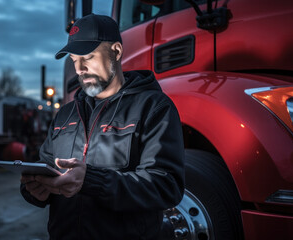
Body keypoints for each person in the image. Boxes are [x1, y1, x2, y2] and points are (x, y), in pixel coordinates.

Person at [20, 13, 185, 240]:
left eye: (87, 57)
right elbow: (46, 165)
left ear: (116, 51)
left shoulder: (153, 107)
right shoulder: (66, 114)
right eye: (74, 60)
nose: (79, 69)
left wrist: (91, 181)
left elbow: (166, 186)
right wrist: (36, 190)